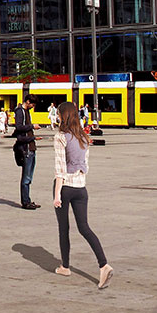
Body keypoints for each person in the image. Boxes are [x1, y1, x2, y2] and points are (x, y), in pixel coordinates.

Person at [51, 101, 113, 289]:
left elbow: (60, 168)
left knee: (64, 228)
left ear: (63, 116)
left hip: (65, 187)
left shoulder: (60, 137)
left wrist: (57, 195)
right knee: (84, 228)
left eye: (59, 114)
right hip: (81, 188)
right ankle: (103, 265)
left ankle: (65, 267)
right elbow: (85, 164)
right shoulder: (84, 137)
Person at [13, 95, 38, 209]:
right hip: (26, 148)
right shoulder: (20, 112)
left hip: (31, 147)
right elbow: (19, 127)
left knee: (29, 176)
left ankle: (27, 199)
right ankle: (25, 202)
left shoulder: (26, 111)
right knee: (26, 177)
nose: (33, 107)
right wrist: (32, 126)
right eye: (32, 104)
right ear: (28, 102)